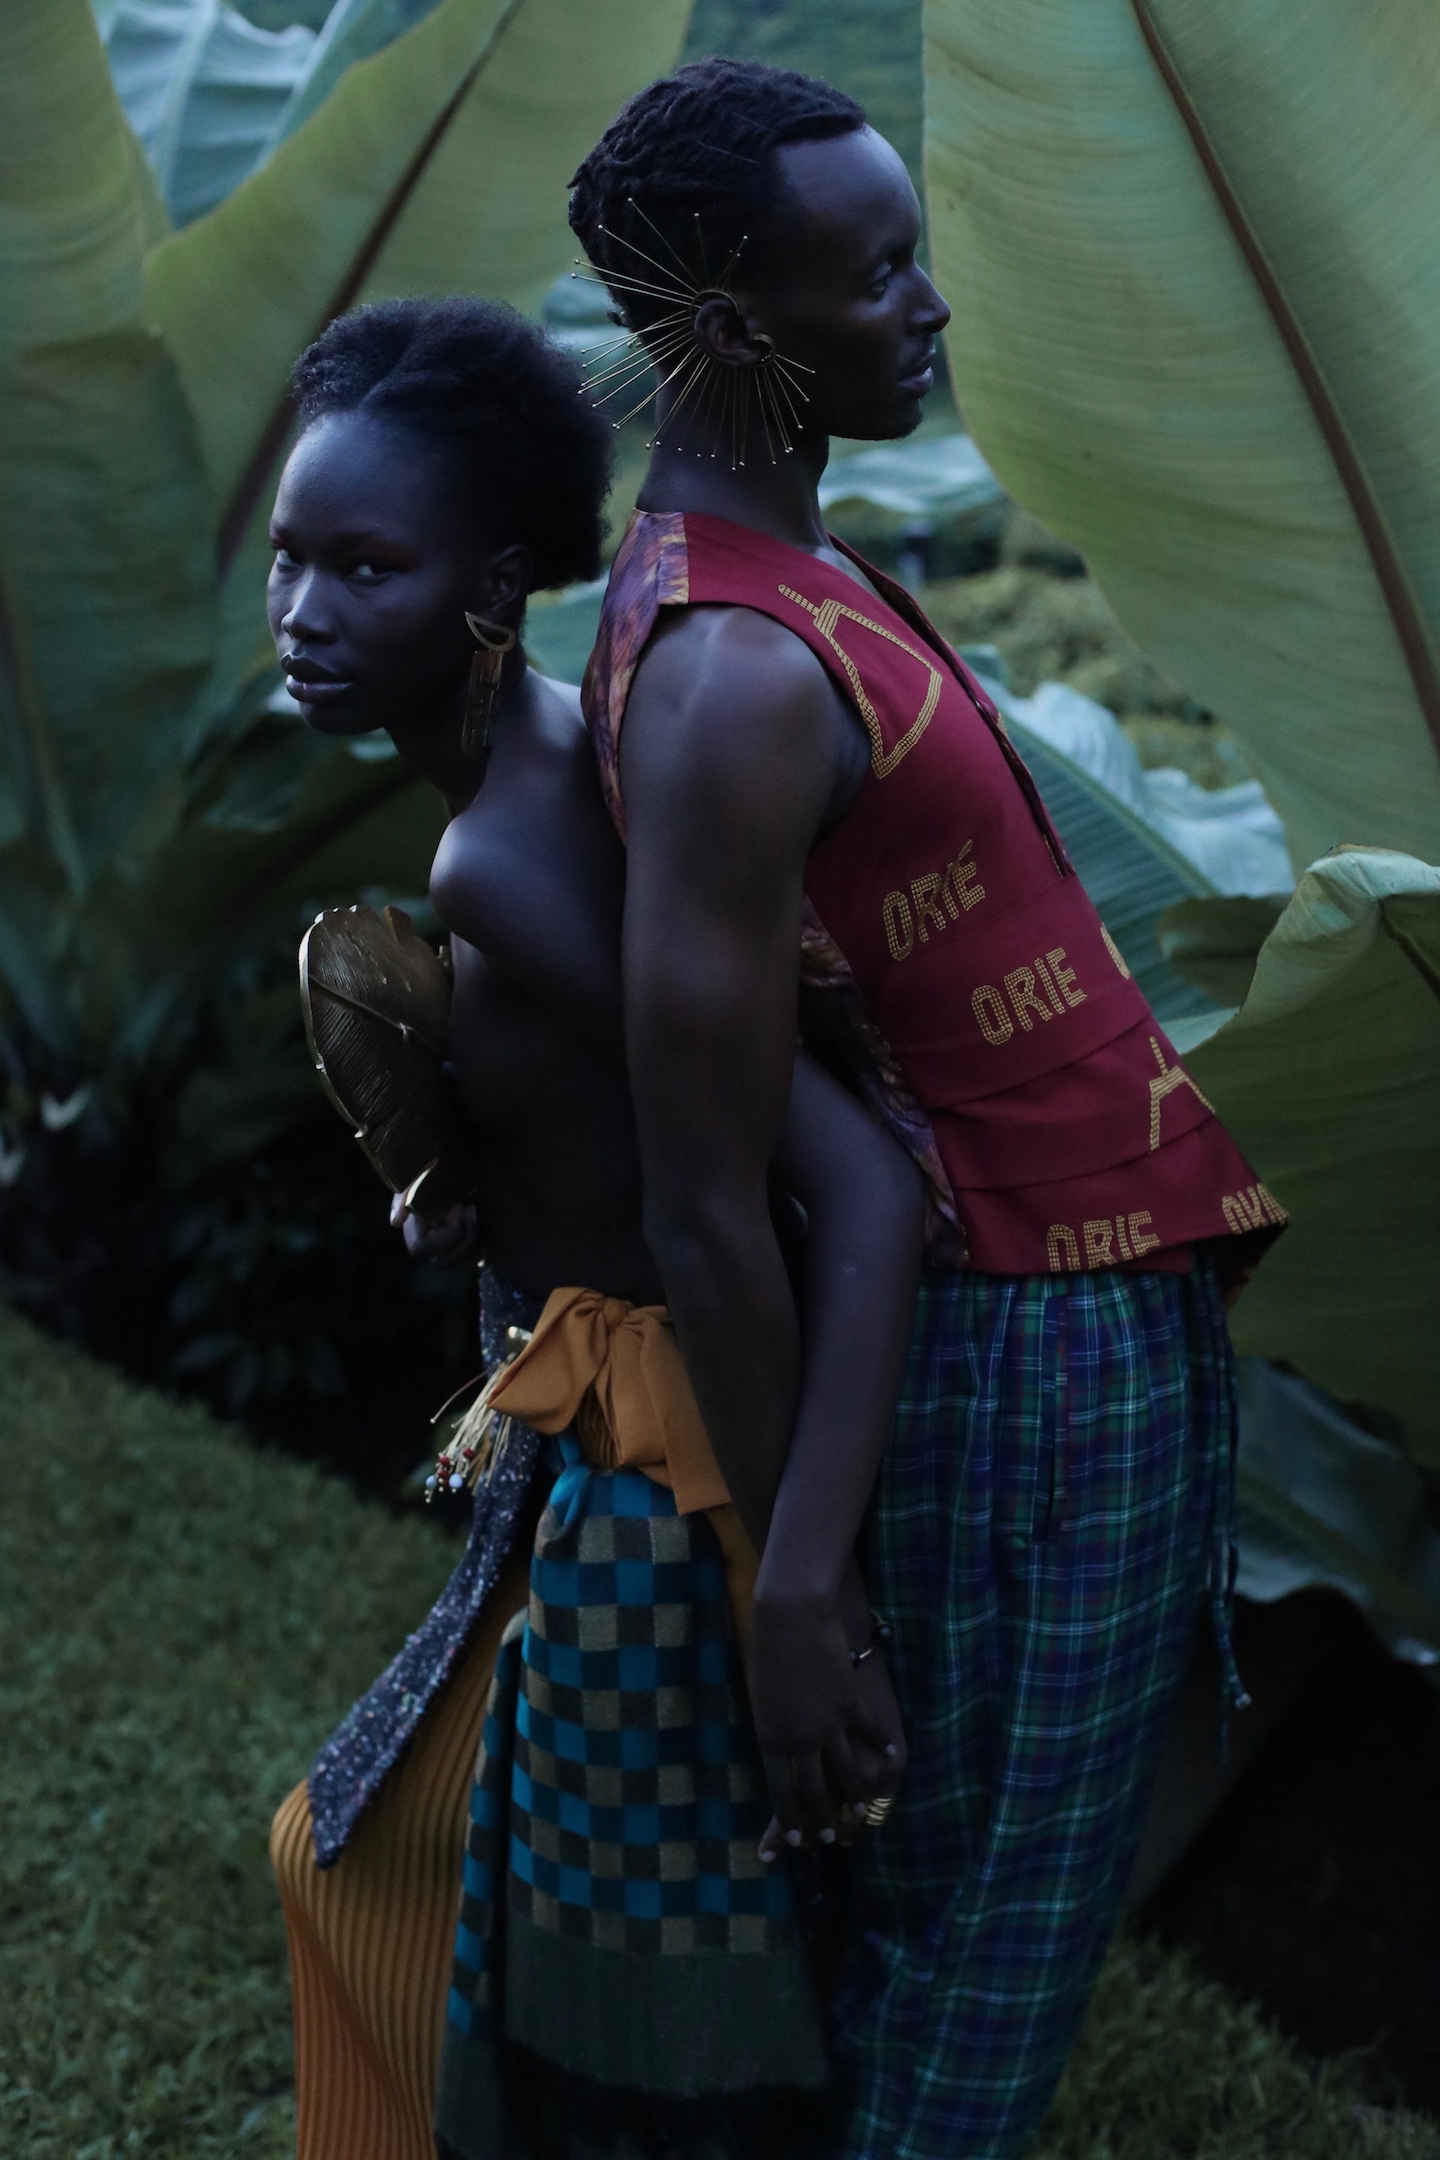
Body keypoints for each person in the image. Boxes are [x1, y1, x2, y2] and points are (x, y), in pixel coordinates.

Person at [568, 57, 1286, 2160]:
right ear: (721, 316)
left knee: (948, 1931)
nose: (927, 306)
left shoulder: (779, 583)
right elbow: (703, 1180)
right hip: (1031, 1354)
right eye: (868, 274)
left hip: (1061, 1314)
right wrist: (794, 1587)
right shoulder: (731, 674)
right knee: (976, 1963)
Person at [262, 296, 925, 2160]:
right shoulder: (531, 767)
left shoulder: (504, 844)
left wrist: (800, 1571)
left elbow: (835, 1181)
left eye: (367, 567)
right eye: (292, 559)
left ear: (495, 584)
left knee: (597, 1998)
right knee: (443, 1886)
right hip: (610, 1432)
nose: (306, 611)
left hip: (669, 1468)